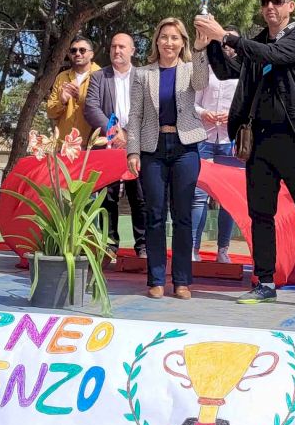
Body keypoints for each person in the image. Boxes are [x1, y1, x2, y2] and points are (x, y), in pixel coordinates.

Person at [194, 0, 295, 311]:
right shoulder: (257, 43)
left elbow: (275, 56)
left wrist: (226, 36)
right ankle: (264, 282)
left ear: (290, 6)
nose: (270, 6)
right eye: (265, 1)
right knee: (260, 215)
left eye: (277, 1)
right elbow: (227, 69)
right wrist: (212, 43)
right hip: (261, 142)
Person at [126, 18, 210, 299]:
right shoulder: (142, 74)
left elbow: (202, 82)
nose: (169, 43)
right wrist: (133, 150)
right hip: (153, 148)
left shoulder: (190, 68)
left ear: (182, 42)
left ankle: (182, 281)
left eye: (175, 37)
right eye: (164, 37)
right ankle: (156, 279)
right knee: (155, 214)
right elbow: (135, 115)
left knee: (183, 215)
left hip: (185, 147)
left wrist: (200, 50)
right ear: (156, 41)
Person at [83, 31, 147, 258]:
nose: (117, 50)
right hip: (107, 147)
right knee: (107, 198)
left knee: (139, 197)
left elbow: (151, 109)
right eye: (113, 46)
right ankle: (109, 245)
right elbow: (91, 108)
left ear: (132, 51)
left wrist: (128, 134)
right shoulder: (98, 77)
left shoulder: (143, 76)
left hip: (136, 145)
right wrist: (114, 132)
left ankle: (143, 246)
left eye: (122, 47)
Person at [190, 30, 241, 264]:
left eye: (232, 42)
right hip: (204, 139)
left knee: (228, 199)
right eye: (223, 41)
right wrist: (204, 113)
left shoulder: (243, 73)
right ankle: (193, 248)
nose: (227, 46)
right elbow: (192, 103)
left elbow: (248, 105)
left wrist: (233, 115)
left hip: (231, 142)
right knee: (198, 195)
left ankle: (223, 249)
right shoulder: (205, 69)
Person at [47, 37, 101, 141]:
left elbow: (106, 111)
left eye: (82, 50)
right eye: (73, 50)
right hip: (64, 144)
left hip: (91, 145)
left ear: (91, 54)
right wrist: (62, 102)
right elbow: (50, 113)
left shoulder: (102, 76)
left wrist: (80, 97)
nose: (77, 53)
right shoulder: (61, 77)